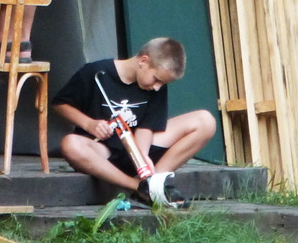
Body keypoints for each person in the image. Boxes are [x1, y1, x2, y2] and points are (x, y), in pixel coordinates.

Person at [51, 37, 217, 207]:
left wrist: (141, 156)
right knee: (70, 144)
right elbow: (60, 104)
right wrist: (89, 124)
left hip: (137, 146)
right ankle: (139, 188)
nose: (157, 87)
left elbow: (148, 126)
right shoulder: (94, 72)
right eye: (156, 79)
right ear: (143, 61)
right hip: (103, 151)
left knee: (205, 121)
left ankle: (154, 183)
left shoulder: (156, 87)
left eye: (163, 83)